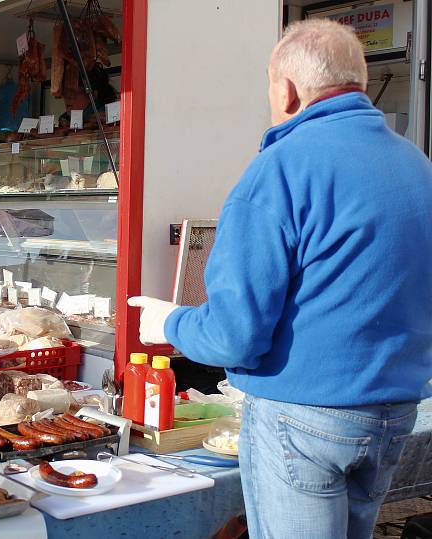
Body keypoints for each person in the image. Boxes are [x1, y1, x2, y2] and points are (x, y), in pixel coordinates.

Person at [129, 19, 432, 539]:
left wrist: (170, 322)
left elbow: (233, 335)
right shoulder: (417, 165)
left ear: (287, 91)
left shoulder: (281, 169)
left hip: (304, 417)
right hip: (394, 413)